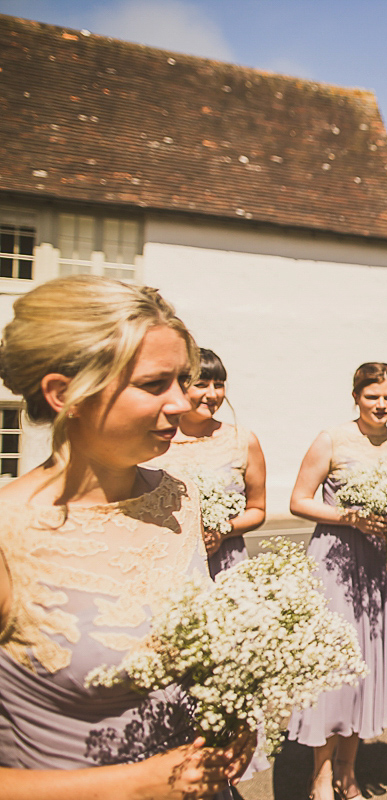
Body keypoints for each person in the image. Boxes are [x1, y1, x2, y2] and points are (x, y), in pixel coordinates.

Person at [0, 275, 252, 799]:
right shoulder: (9, 534)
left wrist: (234, 717)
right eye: (154, 384)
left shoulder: (179, 498)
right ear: (64, 393)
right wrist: (140, 784)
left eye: (182, 381)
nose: (183, 404)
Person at [286, 362, 387, 800]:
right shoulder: (331, 439)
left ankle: (348, 771)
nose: (381, 405)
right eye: (372, 396)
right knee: (333, 668)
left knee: (365, 668)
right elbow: (299, 500)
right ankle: (320, 775)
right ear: (356, 396)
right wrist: (350, 517)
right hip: (336, 563)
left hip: (381, 567)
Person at [147, 348, 266, 577]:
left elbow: (257, 509)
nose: (212, 394)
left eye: (219, 385)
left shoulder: (243, 440)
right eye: (201, 385)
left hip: (226, 558)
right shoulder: (153, 441)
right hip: (167, 559)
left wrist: (222, 531)